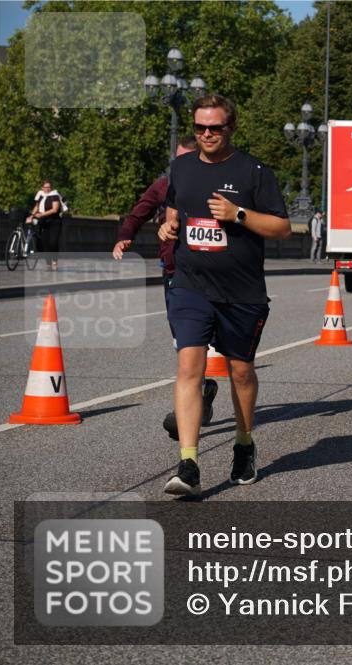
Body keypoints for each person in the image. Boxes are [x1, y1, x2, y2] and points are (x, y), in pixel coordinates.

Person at [157, 94, 290, 496]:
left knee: (241, 372)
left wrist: (239, 215)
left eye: (215, 127)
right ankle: (189, 463)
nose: (207, 134)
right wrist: (167, 228)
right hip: (191, 285)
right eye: (200, 127)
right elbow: (173, 211)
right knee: (189, 368)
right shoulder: (180, 167)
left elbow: (283, 228)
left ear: (230, 127)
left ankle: (244, 444)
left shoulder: (253, 171)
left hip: (242, 292)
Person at [113, 135, 220, 440]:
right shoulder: (164, 185)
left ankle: (195, 397)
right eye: (178, 160)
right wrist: (125, 235)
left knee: (204, 340)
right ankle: (197, 396)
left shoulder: (216, 185)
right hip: (174, 272)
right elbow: (140, 211)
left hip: (210, 272)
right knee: (185, 341)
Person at [29, 180, 64, 270]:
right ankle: (48, 264)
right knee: (45, 244)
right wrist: (32, 216)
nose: (47, 189)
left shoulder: (54, 195)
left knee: (53, 242)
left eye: (49, 187)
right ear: (42, 188)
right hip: (43, 222)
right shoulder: (40, 195)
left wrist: (41, 214)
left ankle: (55, 262)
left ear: (51, 188)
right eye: (45, 187)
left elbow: (55, 209)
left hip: (54, 222)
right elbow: (36, 207)